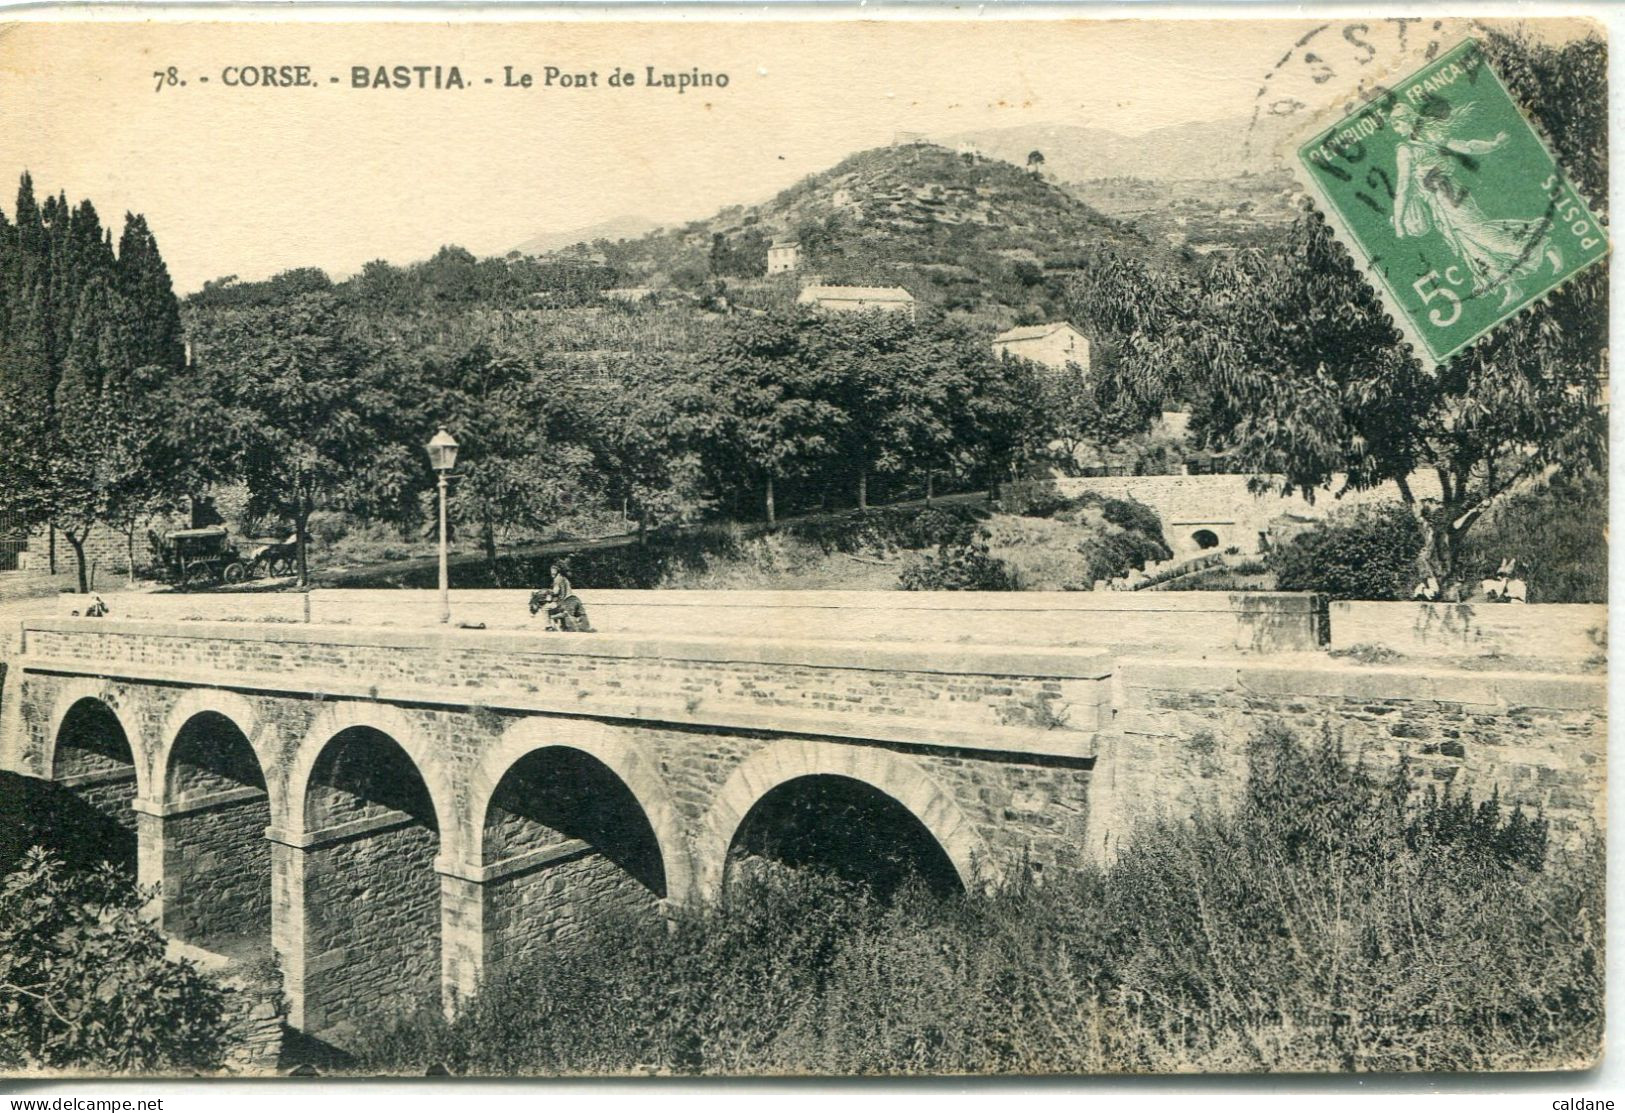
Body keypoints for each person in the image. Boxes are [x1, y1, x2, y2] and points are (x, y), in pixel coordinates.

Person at [1390, 101, 1562, 311]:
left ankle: (1545, 245)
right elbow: (1467, 145)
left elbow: (1403, 185)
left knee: (1481, 234)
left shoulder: (1406, 149)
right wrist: (1494, 144)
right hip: (1441, 201)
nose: (1396, 131)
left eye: (1397, 125)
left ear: (1407, 121)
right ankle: (1510, 287)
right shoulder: (1430, 138)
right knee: (1468, 244)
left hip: (1448, 195)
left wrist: (1399, 222)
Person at [528, 562, 594, 631]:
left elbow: (556, 592)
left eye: (553, 571)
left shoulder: (557, 579)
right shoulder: (564, 578)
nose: (551, 573)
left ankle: (548, 626)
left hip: (563, 601)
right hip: (570, 599)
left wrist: (547, 592)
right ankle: (563, 625)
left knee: (544, 608)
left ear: (557, 571)